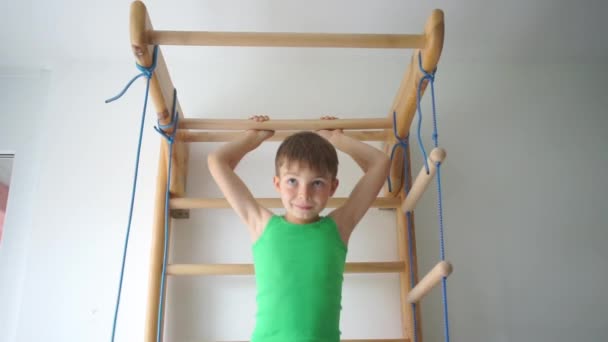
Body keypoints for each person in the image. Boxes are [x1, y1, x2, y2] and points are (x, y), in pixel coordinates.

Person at [207, 115, 391, 342]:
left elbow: (380, 163)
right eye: (293, 181)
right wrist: (252, 139)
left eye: (317, 183)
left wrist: (336, 138)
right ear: (277, 184)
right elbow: (217, 161)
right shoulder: (261, 224)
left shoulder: (339, 228)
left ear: (333, 187)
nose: (304, 194)